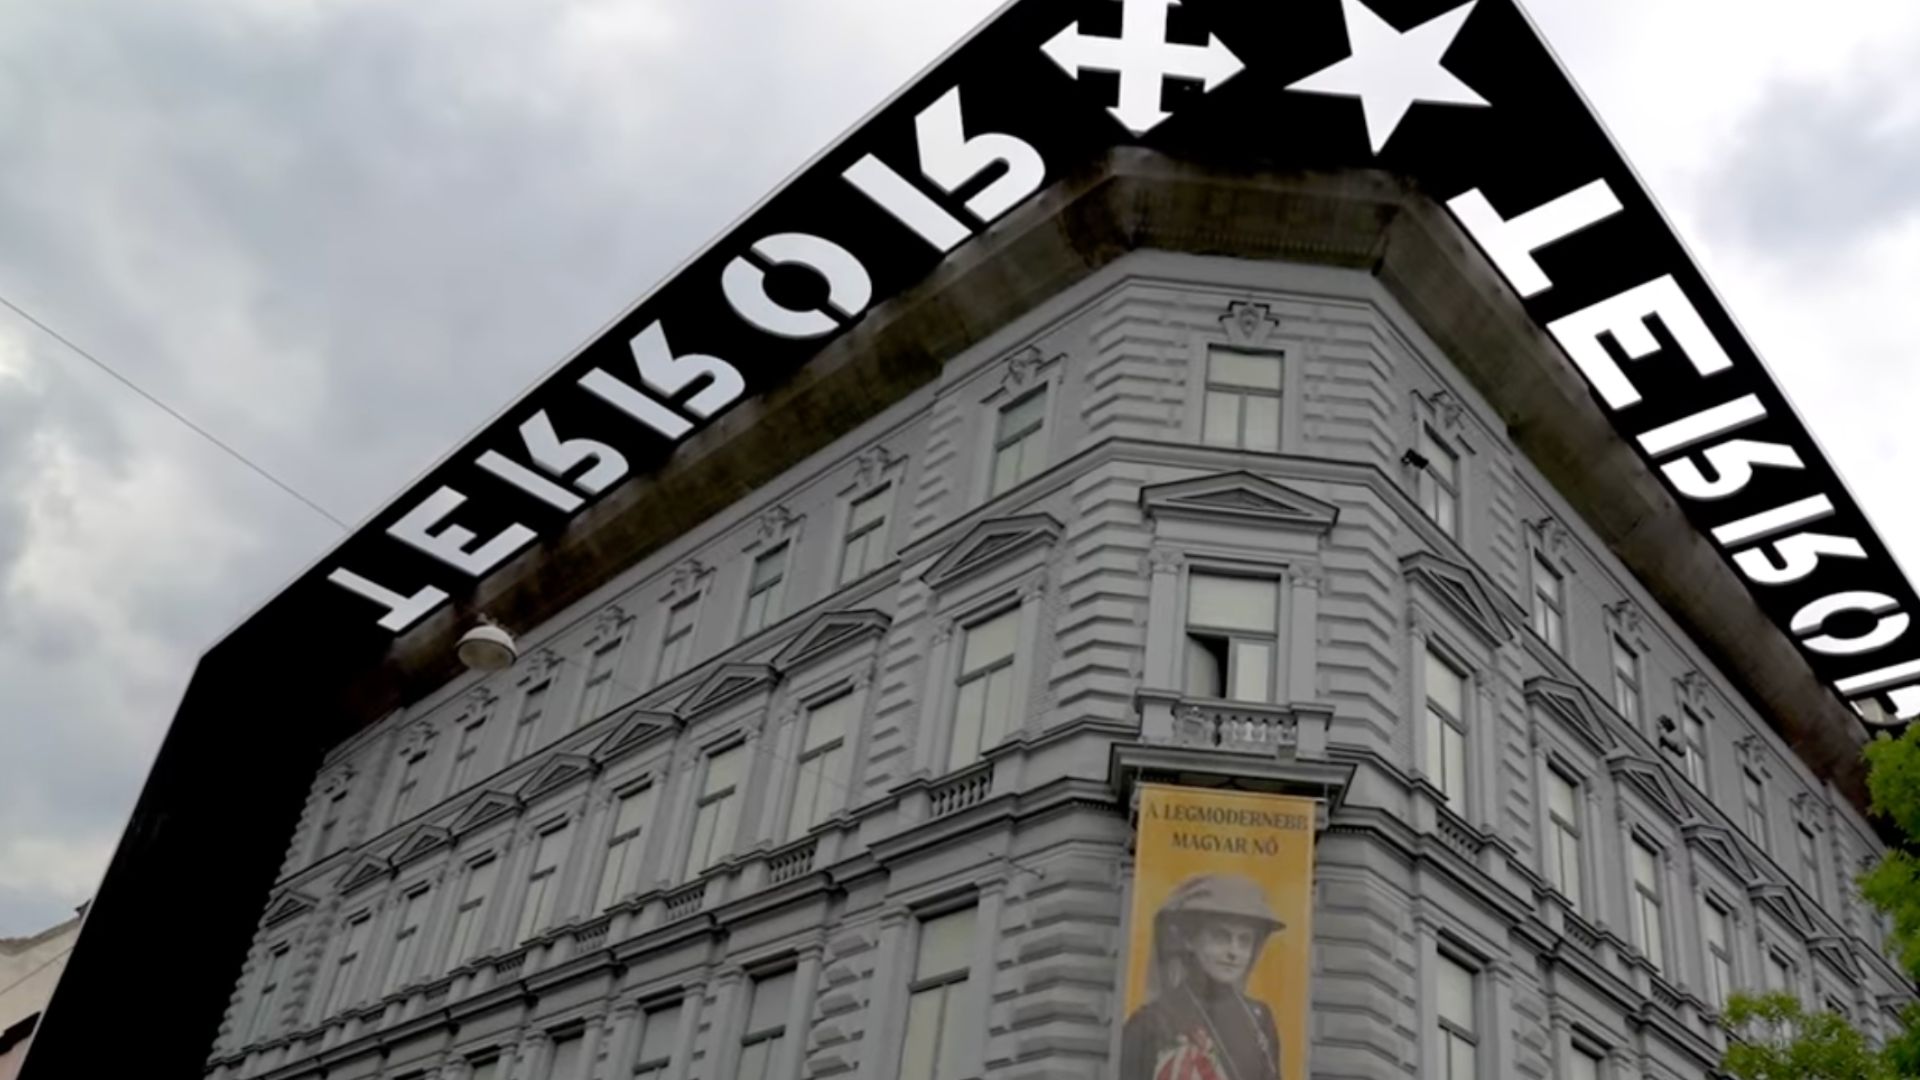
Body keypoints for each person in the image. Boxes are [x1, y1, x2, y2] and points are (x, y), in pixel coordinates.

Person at [1120, 873, 1285, 1080]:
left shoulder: (1259, 1019)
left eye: (1244, 940)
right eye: (1220, 936)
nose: (1234, 952)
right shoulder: (1151, 1022)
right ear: (1190, 939)